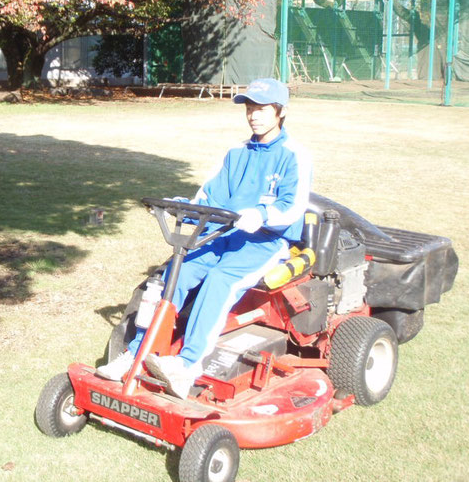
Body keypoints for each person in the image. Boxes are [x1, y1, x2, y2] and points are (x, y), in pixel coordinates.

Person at [96, 78, 312, 399]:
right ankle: (136, 354)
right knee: (176, 273)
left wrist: (262, 215)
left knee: (220, 280)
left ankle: (186, 366)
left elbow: (292, 207)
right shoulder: (236, 152)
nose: (254, 115)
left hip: (264, 241)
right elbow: (209, 196)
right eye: (250, 108)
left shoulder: (293, 155)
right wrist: (183, 207)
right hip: (222, 232)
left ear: (280, 112)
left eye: (262, 109)